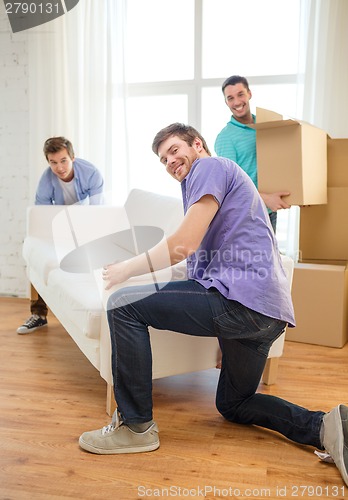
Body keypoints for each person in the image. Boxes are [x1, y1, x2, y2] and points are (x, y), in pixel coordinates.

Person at [79, 123, 348, 488]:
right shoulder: (212, 193)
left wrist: (126, 269)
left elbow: (183, 244)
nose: (171, 161)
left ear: (197, 144)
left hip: (242, 306)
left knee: (122, 304)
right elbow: (203, 272)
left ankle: (136, 426)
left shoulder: (210, 167)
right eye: (163, 159)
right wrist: (227, 335)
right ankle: (324, 426)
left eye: (175, 150)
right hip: (264, 318)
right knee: (234, 404)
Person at [17, 136, 104, 335]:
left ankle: (96, 308)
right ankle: (38, 315)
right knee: (37, 256)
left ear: (73, 157)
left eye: (63, 160)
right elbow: (42, 219)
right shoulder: (45, 181)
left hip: (89, 223)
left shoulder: (91, 173)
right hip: (58, 226)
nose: (59, 167)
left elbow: (98, 212)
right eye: (53, 162)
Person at [215, 75, 291, 233]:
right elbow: (231, 186)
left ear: (249, 93)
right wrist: (267, 199)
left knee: (269, 257)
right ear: (226, 102)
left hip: (270, 211)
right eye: (230, 98)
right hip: (246, 214)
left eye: (240, 94)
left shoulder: (267, 126)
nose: (236, 102)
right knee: (254, 257)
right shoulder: (225, 138)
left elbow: (281, 161)